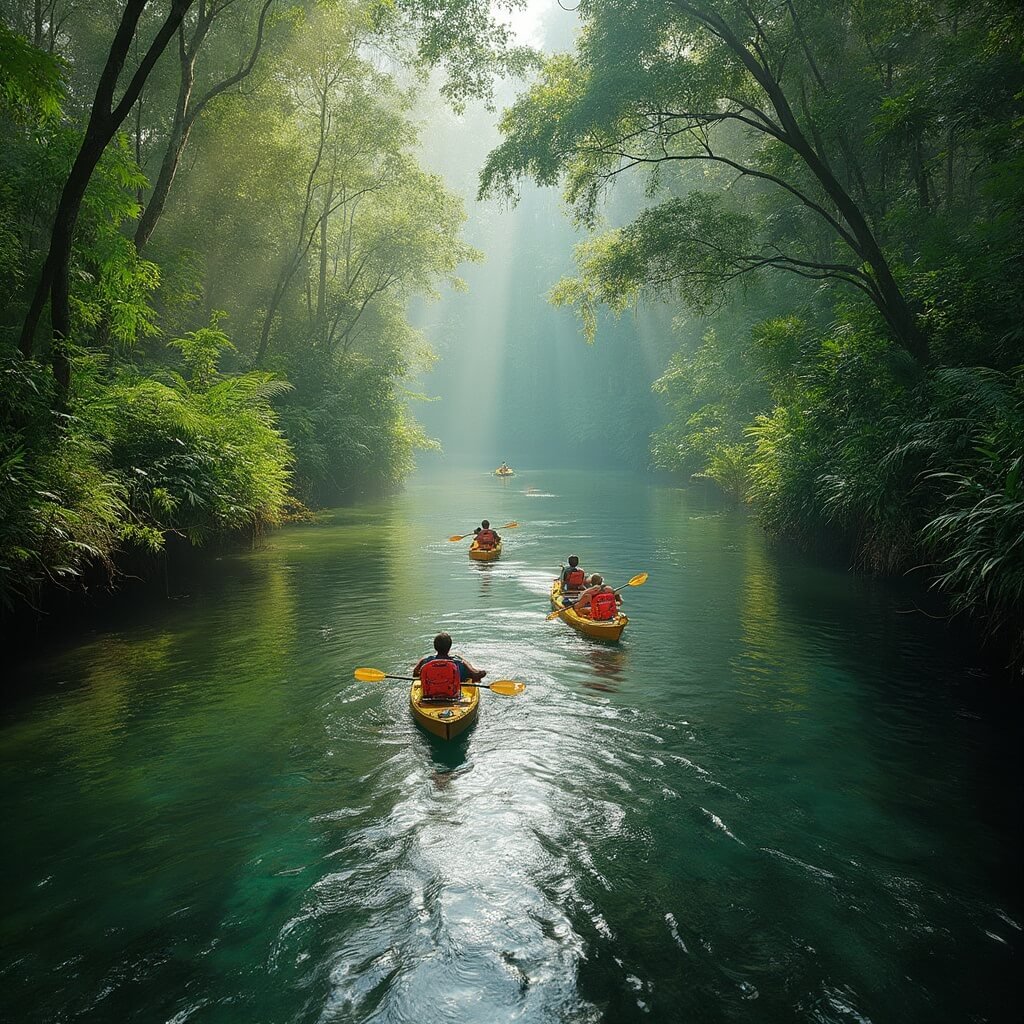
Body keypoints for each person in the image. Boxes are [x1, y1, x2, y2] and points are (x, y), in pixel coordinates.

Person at [413, 632, 487, 700]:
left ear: (435, 647)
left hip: (429, 696)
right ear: (449, 647)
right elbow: (475, 677)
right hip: (452, 696)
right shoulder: (458, 663)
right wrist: (466, 663)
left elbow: (415, 675)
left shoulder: (425, 662)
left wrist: (420, 665)